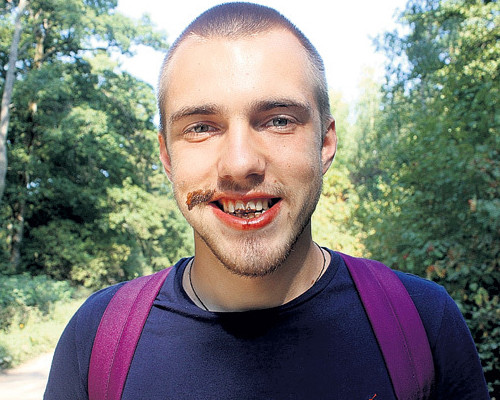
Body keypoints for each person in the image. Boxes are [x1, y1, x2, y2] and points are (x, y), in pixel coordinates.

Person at [45, 3, 489, 399]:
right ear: (166, 156)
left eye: (278, 120)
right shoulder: (98, 338)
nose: (240, 164)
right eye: (201, 127)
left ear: (325, 143)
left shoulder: (421, 322)